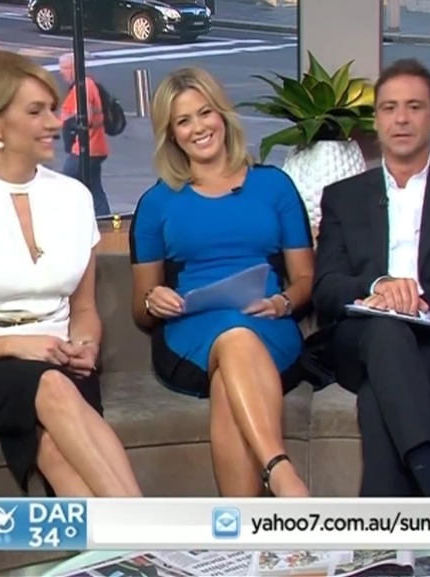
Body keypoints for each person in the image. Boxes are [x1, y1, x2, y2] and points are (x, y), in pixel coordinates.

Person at [0, 50, 142, 498]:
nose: (56, 123)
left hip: (59, 361)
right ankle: (145, 525)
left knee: (54, 444)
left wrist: (86, 345)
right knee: (51, 387)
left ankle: (127, 540)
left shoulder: (75, 198)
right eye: (36, 112)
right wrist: (13, 345)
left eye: (52, 109)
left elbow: (83, 309)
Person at [311, 58, 430, 497]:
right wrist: (378, 287)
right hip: (360, 339)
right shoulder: (343, 196)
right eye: (389, 108)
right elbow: (326, 285)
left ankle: (386, 533)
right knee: (385, 331)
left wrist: (419, 301)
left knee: (380, 398)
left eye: (414, 107)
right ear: (376, 119)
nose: (401, 119)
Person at [129, 67, 314, 498]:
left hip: (268, 322)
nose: (198, 128)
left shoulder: (275, 186)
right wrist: (155, 300)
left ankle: (242, 530)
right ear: (171, 135)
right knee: (234, 337)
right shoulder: (156, 203)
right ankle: (281, 472)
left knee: (230, 376)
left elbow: (306, 278)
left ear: (222, 115)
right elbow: (140, 306)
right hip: (190, 336)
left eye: (204, 113)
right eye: (183, 121)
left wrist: (283, 303)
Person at [59, 53, 111, 217]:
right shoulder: (86, 85)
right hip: (95, 147)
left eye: (64, 68)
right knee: (94, 187)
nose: (61, 72)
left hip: (86, 147)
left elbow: (85, 117)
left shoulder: (83, 87)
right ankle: (103, 218)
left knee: (66, 184)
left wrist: (70, 123)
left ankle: (69, 218)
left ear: (74, 68)